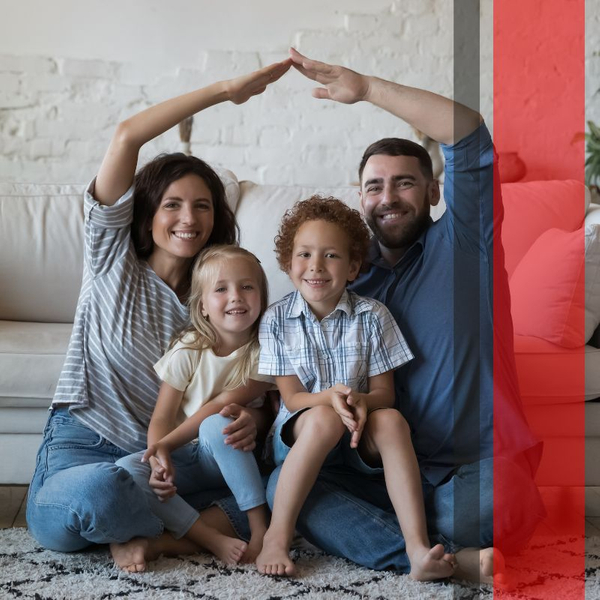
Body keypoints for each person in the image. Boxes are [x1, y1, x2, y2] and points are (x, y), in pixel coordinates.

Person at [263, 48, 545, 585]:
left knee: (496, 507)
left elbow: (469, 135)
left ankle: (408, 537)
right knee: (284, 490)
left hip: (470, 468)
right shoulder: (341, 275)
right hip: (371, 465)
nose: (388, 197)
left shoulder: (466, 241)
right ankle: (439, 556)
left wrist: (366, 87)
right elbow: (286, 362)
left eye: (405, 183)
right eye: (374, 186)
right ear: (360, 198)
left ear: (435, 191)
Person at [26, 59, 291, 572]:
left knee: (288, 493)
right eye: (172, 204)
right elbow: (126, 136)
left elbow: (247, 382)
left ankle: (154, 535)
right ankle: (168, 529)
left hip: (178, 461)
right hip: (85, 446)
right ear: (146, 212)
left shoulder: (222, 297)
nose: (189, 218)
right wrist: (223, 90)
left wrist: (252, 421)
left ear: (218, 218)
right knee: (101, 491)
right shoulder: (111, 259)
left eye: (203, 206)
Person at [255, 197, 456, 580]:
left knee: (393, 420)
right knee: (323, 421)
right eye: (305, 254)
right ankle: (276, 537)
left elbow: (385, 394)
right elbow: (293, 398)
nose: (316, 265)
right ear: (288, 263)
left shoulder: (373, 315)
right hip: (300, 434)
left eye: (330, 255)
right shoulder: (276, 319)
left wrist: (361, 400)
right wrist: (329, 399)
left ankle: (416, 547)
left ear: (353, 268)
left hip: (356, 435)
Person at [115, 246, 273, 569]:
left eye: (247, 286)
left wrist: (166, 444)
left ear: (261, 296)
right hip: (188, 458)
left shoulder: (265, 351)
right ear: (202, 306)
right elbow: (161, 417)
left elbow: (221, 404)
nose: (236, 297)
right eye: (221, 289)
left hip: (230, 454)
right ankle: (208, 537)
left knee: (217, 423)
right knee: (128, 471)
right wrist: (159, 458)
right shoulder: (189, 349)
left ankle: (260, 530)